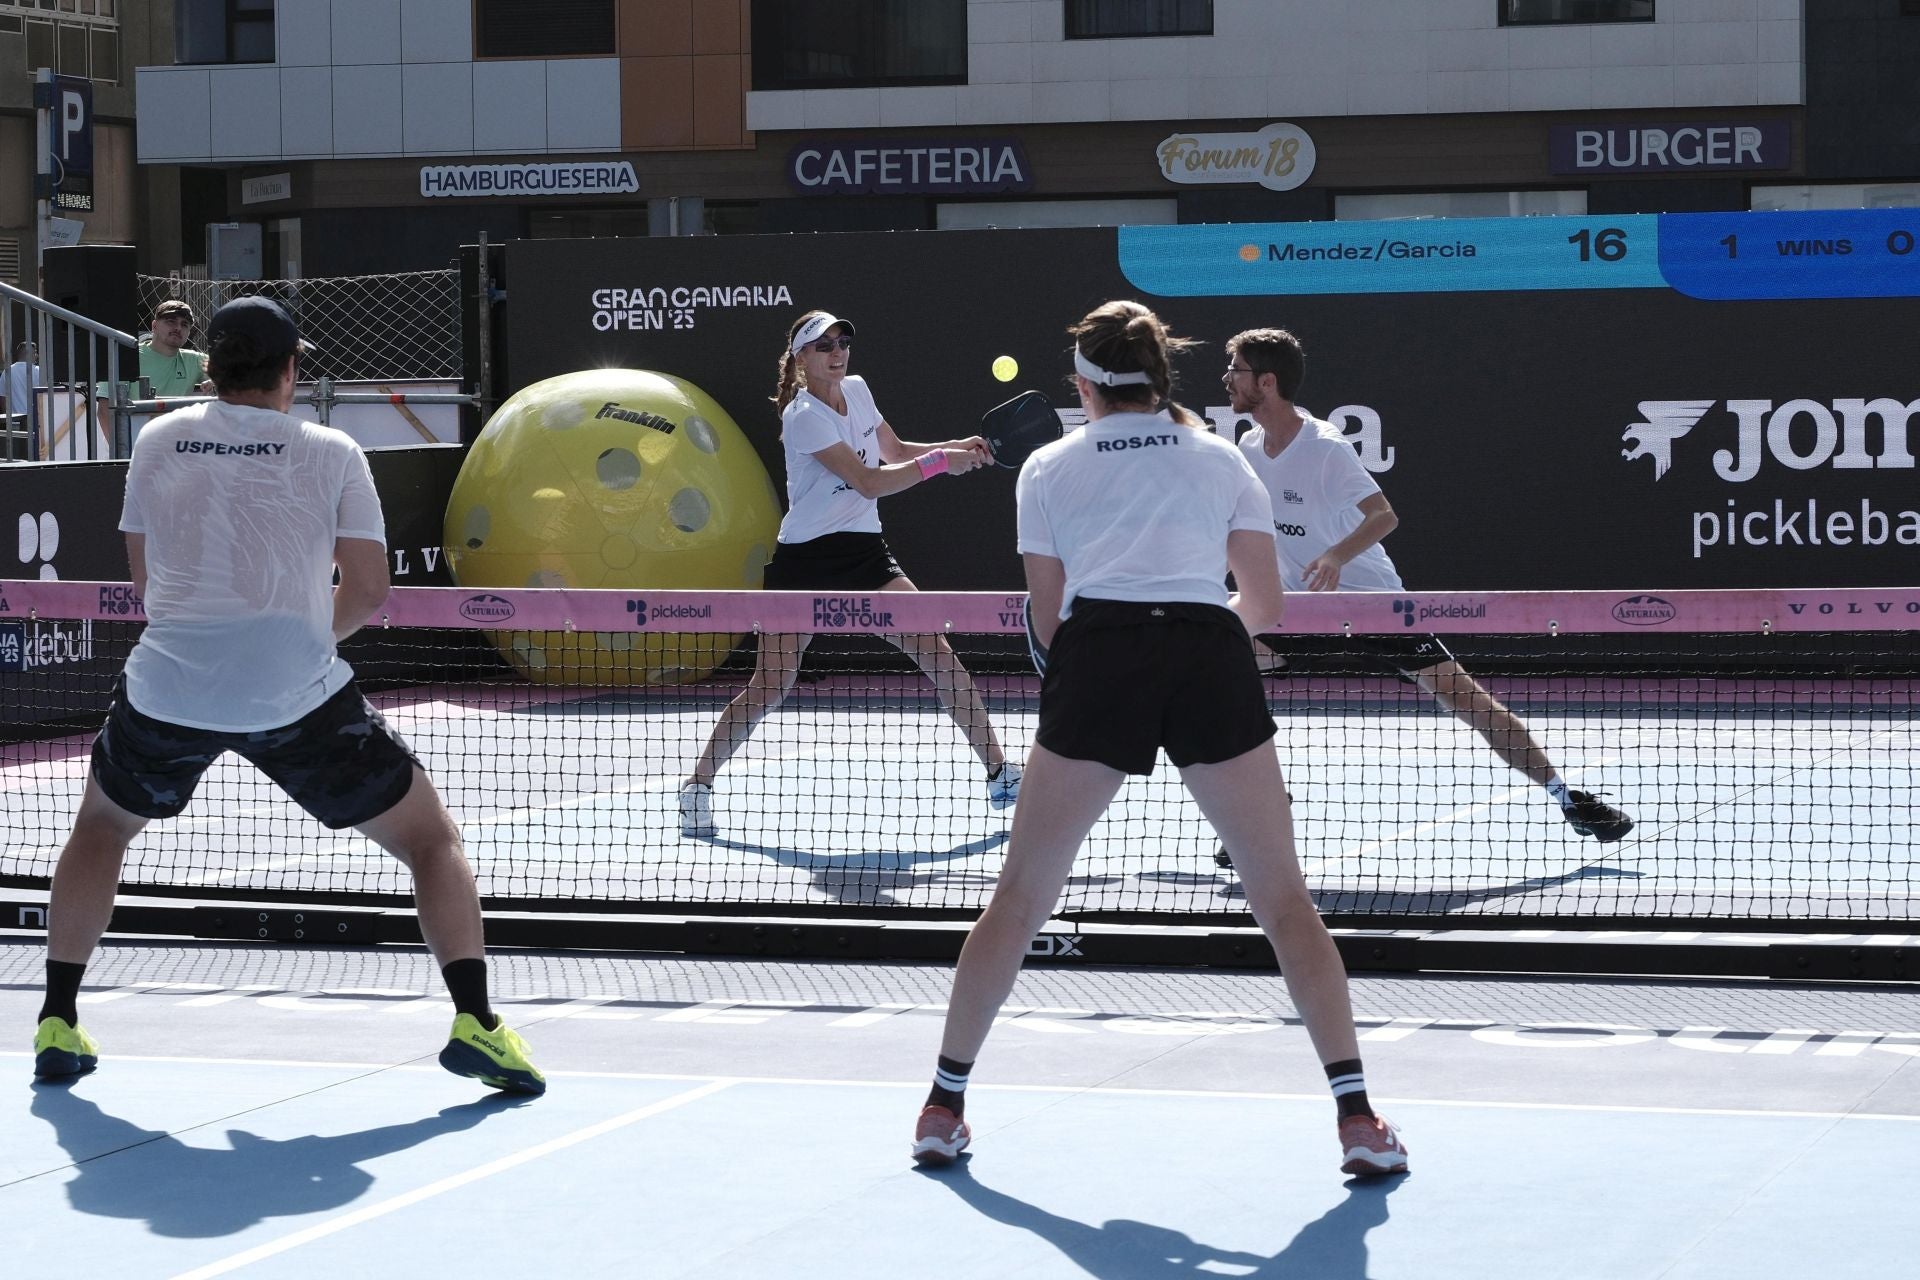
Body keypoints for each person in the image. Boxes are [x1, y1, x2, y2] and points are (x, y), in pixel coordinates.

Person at [911, 301, 1407, 1178]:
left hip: (1101, 652)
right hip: (1207, 649)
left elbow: (1048, 612)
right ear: (1160, 378)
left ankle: (942, 1107)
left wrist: (1092, 679)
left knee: (1021, 894)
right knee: (1283, 899)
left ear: (1083, 386)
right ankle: (1358, 1120)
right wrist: (1207, 641)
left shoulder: (1048, 469)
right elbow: (1265, 605)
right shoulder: (1223, 458)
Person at [32, 296, 544, 1096]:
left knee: (102, 823)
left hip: (167, 685)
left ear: (210, 366)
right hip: (297, 696)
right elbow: (369, 589)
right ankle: (477, 1023)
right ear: (290, 371)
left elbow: (147, 582)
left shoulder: (157, 439)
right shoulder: (334, 450)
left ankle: (57, 1019)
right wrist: (303, 639)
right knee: (432, 841)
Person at [1214, 327, 1631, 869]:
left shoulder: (1322, 448)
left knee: (1467, 701)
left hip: (1372, 608)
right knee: (1218, 673)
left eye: (1236, 370)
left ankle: (1568, 797)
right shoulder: (1249, 447)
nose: (1226, 379)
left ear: (1266, 382)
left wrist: (1337, 556)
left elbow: (1383, 515)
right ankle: (1264, 809)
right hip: (1302, 611)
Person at [678, 310, 1022, 837]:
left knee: (935, 649)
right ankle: (698, 786)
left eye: (842, 341)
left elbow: (897, 453)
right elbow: (867, 481)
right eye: (823, 346)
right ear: (800, 360)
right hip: (805, 560)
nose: (837, 352)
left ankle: (1000, 774)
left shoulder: (857, 389)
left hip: (865, 554)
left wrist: (955, 449)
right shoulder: (803, 415)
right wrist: (938, 467)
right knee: (771, 682)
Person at [95, 298, 212, 435]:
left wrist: (215, 381)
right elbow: (104, 410)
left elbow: (232, 372)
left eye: (184, 324)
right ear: (154, 326)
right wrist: (124, 453)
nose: (178, 328)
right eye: (171, 321)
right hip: (135, 442)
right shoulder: (127, 357)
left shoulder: (194, 360)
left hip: (175, 443)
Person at [4, 340, 41, 450]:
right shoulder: (39, 371)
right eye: (35, 352)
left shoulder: (7, 372)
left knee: (16, 453)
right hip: (36, 420)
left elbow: (3, 399)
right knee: (35, 452)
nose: (37, 356)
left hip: (14, 420)